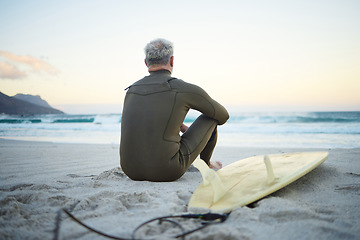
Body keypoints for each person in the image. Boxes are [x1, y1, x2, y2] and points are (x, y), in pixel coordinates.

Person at [120, 38, 229, 182]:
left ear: (146, 63)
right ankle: (207, 164)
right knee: (210, 116)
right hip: (167, 171)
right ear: (172, 61)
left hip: (130, 170)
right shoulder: (181, 88)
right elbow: (223, 116)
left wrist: (177, 125)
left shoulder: (131, 90)